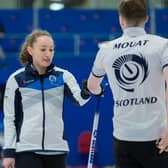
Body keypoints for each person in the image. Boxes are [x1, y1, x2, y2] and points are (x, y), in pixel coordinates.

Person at [86, 0, 168, 168]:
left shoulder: (106, 49)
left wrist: (98, 90)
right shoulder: (162, 44)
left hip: (124, 138)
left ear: (121, 20)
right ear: (146, 18)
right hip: (157, 137)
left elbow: (92, 86)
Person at [3, 29, 91, 168]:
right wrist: (8, 152)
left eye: (51, 49)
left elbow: (80, 100)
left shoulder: (64, 76)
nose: (48, 54)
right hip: (26, 150)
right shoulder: (16, 79)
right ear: (30, 50)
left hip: (57, 149)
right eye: (43, 49)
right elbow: (10, 118)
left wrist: (88, 90)